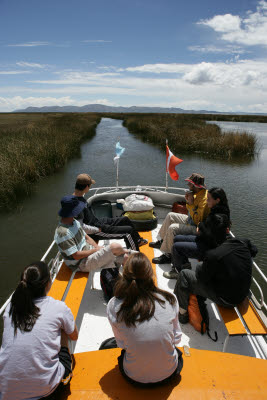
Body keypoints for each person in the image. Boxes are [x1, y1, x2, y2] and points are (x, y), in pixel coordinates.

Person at [0, 261, 78, 400]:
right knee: (64, 329)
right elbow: (74, 336)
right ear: (48, 283)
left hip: (6, 391)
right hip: (46, 392)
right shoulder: (58, 307)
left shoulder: (11, 307)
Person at [107, 253, 183, 387]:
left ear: (124, 275)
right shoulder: (170, 299)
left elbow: (122, 345)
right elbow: (176, 338)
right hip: (169, 374)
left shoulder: (113, 305)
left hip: (134, 378)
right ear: (150, 274)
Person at [174, 214, 257, 324]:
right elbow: (254, 250)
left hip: (227, 300)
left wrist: (201, 267)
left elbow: (203, 278)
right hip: (243, 294)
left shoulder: (213, 255)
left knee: (184, 274)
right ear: (228, 230)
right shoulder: (244, 242)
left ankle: (183, 314)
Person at [54, 195, 134, 273]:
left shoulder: (74, 222)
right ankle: (129, 251)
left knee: (125, 257)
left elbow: (86, 237)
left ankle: (126, 277)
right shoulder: (63, 233)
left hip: (89, 253)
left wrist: (97, 247)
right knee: (115, 247)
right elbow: (76, 255)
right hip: (81, 264)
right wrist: (96, 250)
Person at [168, 187, 231, 279]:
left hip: (208, 247)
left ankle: (179, 272)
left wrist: (201, 227)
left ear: (217, 200)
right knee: (176, 238)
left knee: (176, 247)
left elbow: (211, 237)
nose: (207, 201)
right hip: (204, 240)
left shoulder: (219, 217)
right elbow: (207, 227)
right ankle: (185, 265)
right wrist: (202, 226)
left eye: (208, 199)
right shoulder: (216, 210)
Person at [74, 173, 148, 250]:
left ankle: (137, 241)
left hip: (97, 222)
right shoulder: (76, 204)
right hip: (95, 230)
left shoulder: (79, 197)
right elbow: (81, 227)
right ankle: (135, 257)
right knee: (128, 231)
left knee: (125, 219)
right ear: (86, 187)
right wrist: (97, 230)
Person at [150, 173, 210, 265]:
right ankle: (162, 241)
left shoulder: (204, 200)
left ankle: (169, 255)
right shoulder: (196, 193)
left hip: (197, 227)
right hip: (191, 220)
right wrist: (189, 202)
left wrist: (190, 203)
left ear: (195, 185)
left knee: (173, 228)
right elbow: (192, 212)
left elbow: (198, 220)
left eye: (190, 183)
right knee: (170, 215)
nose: (188, 185)